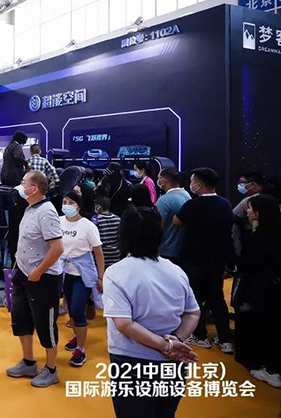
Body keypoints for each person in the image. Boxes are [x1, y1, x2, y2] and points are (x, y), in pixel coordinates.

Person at [104, 207, 201, 417]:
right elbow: (193, 313)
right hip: (173, 364)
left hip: (132, 363)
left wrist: (165, 346)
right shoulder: (175, 270)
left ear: (123, 236)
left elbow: (124, 324)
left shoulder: (115, 273)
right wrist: (176, 339)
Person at [5, 171, 65, 388]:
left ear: (35, 189)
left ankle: (51, 369)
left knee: (45, 323)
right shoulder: (29, 208)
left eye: (24, 183)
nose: (21, 186)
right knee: (21, 319)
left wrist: (39, 271)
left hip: (43, 278)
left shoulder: (47, 212)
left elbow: (57, 248)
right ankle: (28, 361)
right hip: (23, 273)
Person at [173, 167, 234, 354]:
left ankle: (200, 336)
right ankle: (225, 339)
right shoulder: (225, 204)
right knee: (217, 298)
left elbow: (176, 221)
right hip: (217, 260)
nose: (190, 185)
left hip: (193, 259)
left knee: (195, 298)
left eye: (192, 181)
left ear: (199, 185)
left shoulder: (193, 205)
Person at [235, 194, 281, 388]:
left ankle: (271, 370)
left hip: (261, 288)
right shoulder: (274, 232)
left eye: (250, 208)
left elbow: (249, 264)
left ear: (259, 213)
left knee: (264, 325)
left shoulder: (259, 238)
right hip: (273, 286)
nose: (247, 211)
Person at [60, 192, 105, 368]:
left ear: (78, 206)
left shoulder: (88, 226)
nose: (66, 205)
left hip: (82, 274)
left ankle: (81, 348)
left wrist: (101, 277)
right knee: (71, 309)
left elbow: (98, 253)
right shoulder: (58, 221)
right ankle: (77, 336)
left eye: (70, 202)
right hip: (65, 272)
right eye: (64, 201)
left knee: (78, 309)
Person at [155, 168, 191, 264]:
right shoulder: (187, 196)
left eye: (159, 178)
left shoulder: (164, 200)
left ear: (164, 180)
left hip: (166, 251)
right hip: (183, 250)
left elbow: (158, 227)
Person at [232, 171, 264, 259]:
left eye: (242, 183)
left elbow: (232, 216)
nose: (239, 185)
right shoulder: (268, 197)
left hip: (250, 238)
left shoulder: (250, 200)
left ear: (253, 184)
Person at [95, 197, 121, 269]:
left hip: (101, 257)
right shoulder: (118, 219)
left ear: (98, 206)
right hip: (115, 256)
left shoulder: (96, 220)